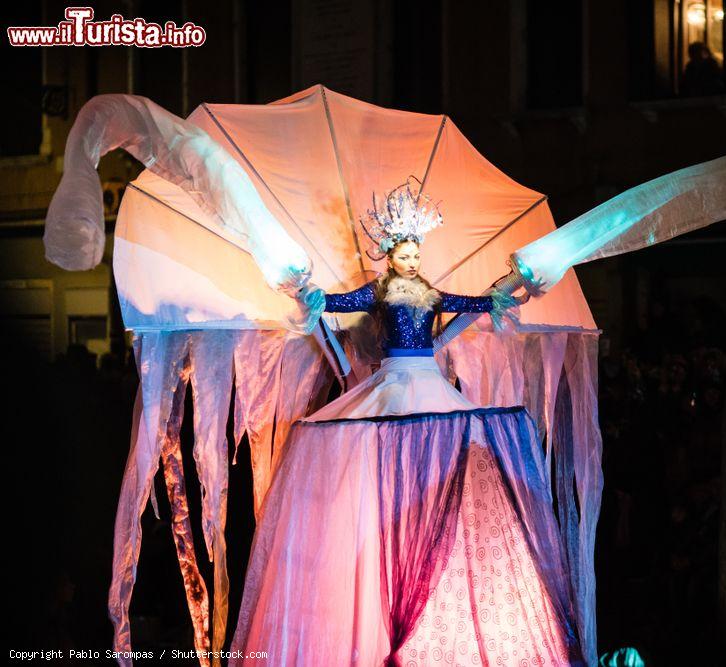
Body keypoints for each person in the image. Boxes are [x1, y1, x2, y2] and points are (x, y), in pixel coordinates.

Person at [230, 180, 585, 666]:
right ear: (391, 256)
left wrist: (495, 298)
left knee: (440, 448)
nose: (414, 261)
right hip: (396, 377)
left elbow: (464, 301)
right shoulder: (378, 291)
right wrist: (314, 296)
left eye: (418, 253)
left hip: (427, 376)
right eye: (406, 253)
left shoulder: (428, 291)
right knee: (384, 447)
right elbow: (339, 304)